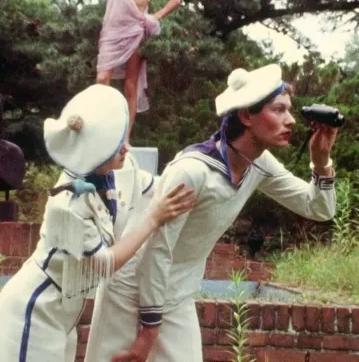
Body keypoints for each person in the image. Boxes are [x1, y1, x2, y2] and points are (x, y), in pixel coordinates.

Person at [83, 63, 339, 362]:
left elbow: (318, 208)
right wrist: (147, 334)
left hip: (175, 294)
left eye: (289, 110)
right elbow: (157, 250)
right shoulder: (192, 171)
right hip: (130, 289)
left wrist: (321, 162)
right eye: (279, 110)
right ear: (246, 115)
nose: (291, 120)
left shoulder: (259, 163)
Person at [0, 84, 195, 362]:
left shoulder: (113, 174)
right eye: (116, 145)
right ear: (95, 152)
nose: (126, 148)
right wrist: (153, 218)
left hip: (63, 312)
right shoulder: (68, 203)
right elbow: (104, 264)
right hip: (35, 310)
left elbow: (155, 187)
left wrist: (192, 174)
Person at [96, 0, 181, 145]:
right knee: (102, 79)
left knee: (131, 86)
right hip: (113, 29)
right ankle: (99, 130)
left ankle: (125, 138)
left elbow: (176, 0)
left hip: (136, 29)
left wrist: (156, 16)